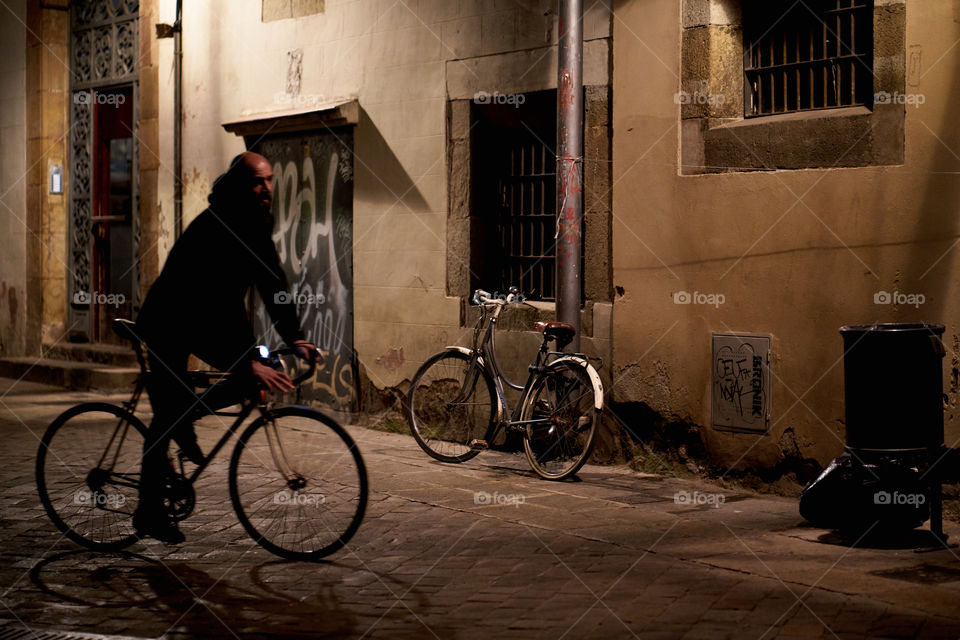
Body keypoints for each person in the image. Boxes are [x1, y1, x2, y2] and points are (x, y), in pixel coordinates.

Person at [133, 151, 317, 544]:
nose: (266, 188)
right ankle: (147, 510)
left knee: (251, 378)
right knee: (166, 415)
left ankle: (185, 417)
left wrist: (296, 339)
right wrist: (245, 360)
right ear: (239, 185)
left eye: (269, 180)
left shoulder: (256, 222)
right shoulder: (220, 225)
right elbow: (215, 303)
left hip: (203, 323)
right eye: (257, 181)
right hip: (171, 320)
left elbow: (273, 284)